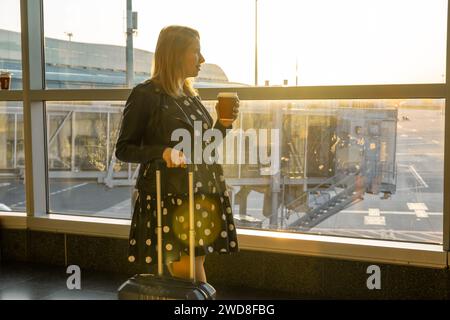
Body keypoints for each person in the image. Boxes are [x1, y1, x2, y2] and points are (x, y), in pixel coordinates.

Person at [115, 25, 239, 283]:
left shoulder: (189, 95)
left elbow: (202, 150)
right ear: (175, 54)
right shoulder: (145, 95)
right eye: (196, 52)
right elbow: (123, 149)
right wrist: (162, 152)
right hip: (169, 198)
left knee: (194, 269)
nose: (203, 59)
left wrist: (222, 124)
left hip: (198, 193)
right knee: (190, 279)